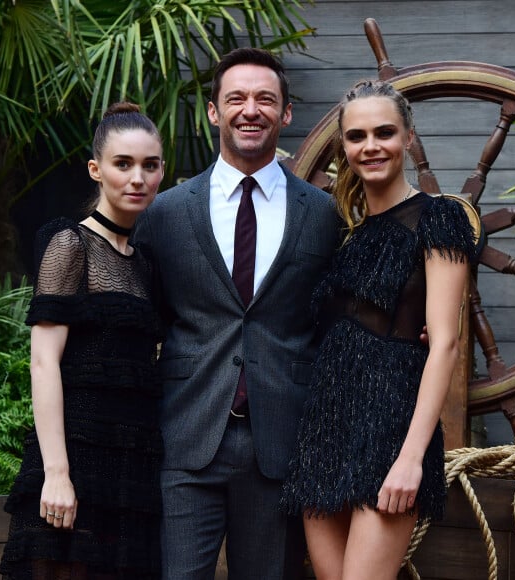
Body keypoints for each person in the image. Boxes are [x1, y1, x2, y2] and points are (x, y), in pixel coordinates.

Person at [133, 48, 339, 579]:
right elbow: (142, 320)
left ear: (286, 114)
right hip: (186, 436)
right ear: (213, 112)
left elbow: (336, 320)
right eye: (237, 99)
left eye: (265, 99)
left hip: (280, 443)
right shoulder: (167, 213)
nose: (251, 110)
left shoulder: (320, 215)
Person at [280, 79, 478, 580]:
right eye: (357, 136)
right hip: (324, 429)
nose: (371, 146)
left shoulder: (440, 217)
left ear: (408, 137)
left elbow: (445, 344)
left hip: (391, 429)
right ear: (343, 147)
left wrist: (411, 458)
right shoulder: (346, 233)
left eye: (384, 132)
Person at [0, 102, 166, 579]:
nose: (138, 178)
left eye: (150, 165)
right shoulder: (69, 243)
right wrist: (56, 473)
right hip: (73, 463)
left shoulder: (144, 262)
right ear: (96, 170)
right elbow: (43, 362)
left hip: (130, 472)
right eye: (123, 164)